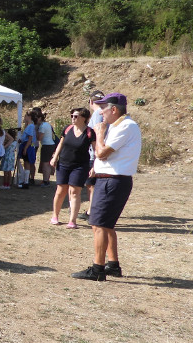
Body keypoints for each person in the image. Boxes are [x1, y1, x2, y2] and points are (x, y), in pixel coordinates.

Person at [72, 93, 141, 281]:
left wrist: (99, 133)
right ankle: (112, 265)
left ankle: (98, 269)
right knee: (105, 225)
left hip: (113, 181)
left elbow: (101, 152)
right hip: (110, 179)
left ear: (114, 109)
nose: (100, 112)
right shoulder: (120, 126)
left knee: (99, 225)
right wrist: (97, 168)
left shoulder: (125, 126)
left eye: (103, 108)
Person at [50, 108, 96, 229]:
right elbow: (61, 143)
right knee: (61, 190)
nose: (73, 118)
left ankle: (72, 220)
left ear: (84, 118)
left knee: (75, 191)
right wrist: (55, 157)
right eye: (72, 116)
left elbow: (96, 151)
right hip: (63, 164)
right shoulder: (67, 129)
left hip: (80, 166)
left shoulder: (90, 132)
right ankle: (55, 216)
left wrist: (95, 166)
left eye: (76, 116)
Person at [81, 90, 106, 220]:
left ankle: (92, 211)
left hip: (94, 154)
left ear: (91, 102)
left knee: (91, 184)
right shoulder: (104, 113)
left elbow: (96, 136)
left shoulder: (97, 114)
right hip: (100, 153)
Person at [34, 108, 56, 186]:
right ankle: (47, 180)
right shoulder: (47, 124)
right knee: (47, 164)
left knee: (45, 164)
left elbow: (39, 138)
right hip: (51, 145)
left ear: (40, 118)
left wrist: (36, 131)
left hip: (47, 146)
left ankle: (45, 181)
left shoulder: (42, 126)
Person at [17, 111, 36, 189]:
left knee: (27, 163)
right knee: (26, 163)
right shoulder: (28, 126)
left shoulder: (31, 126)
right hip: (26, 144)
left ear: (29, 117)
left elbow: (30, 138)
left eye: (26, 116)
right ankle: (25, 181)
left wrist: (25, 148)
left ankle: (26, 182)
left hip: (28, 146)